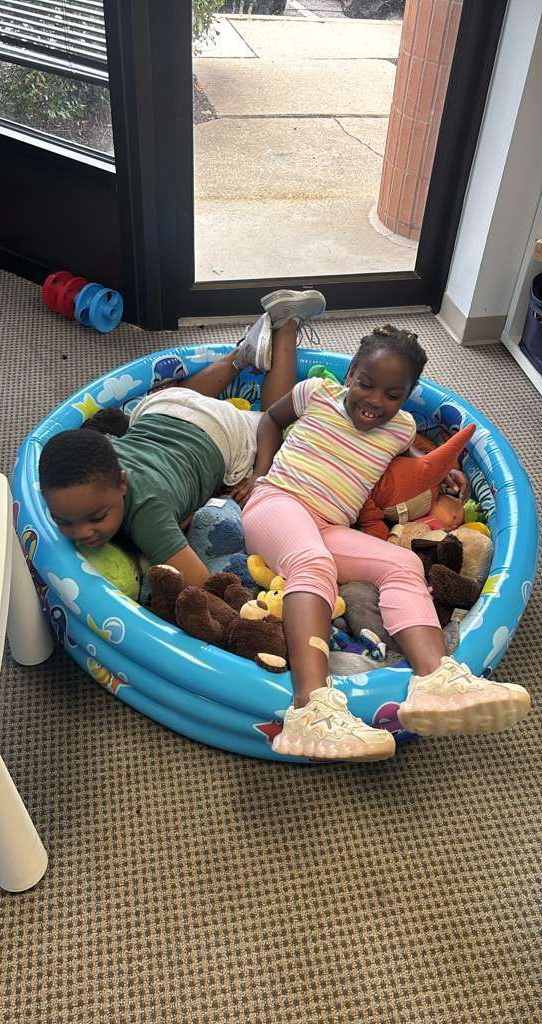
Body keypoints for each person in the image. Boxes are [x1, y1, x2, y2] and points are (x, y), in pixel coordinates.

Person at [241, 324, 531, 762]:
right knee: (313, 563)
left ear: (408, 396)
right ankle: (310, 709)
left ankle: (435, 679)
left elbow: (410, 458)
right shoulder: (316, 393)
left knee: (403, 563)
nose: (375, 401)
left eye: (393, 395)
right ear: (350, 374)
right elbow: (270, 419)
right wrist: (260, 473)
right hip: (277, 502)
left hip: (328, 525)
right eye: (365, 384)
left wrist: (440, 471)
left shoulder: (402, 428)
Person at [38, 289, 325, 586]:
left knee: (273, 420)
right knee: (186, 402)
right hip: (163, 407)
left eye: (97, 517)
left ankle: (286, 325)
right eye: (63, 522)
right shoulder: (97, 459)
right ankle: (241, 355)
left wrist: (259, 476)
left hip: (222, 433)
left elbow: (199, 581)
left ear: (122, 483)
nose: (82, 533)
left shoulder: (147, 516)